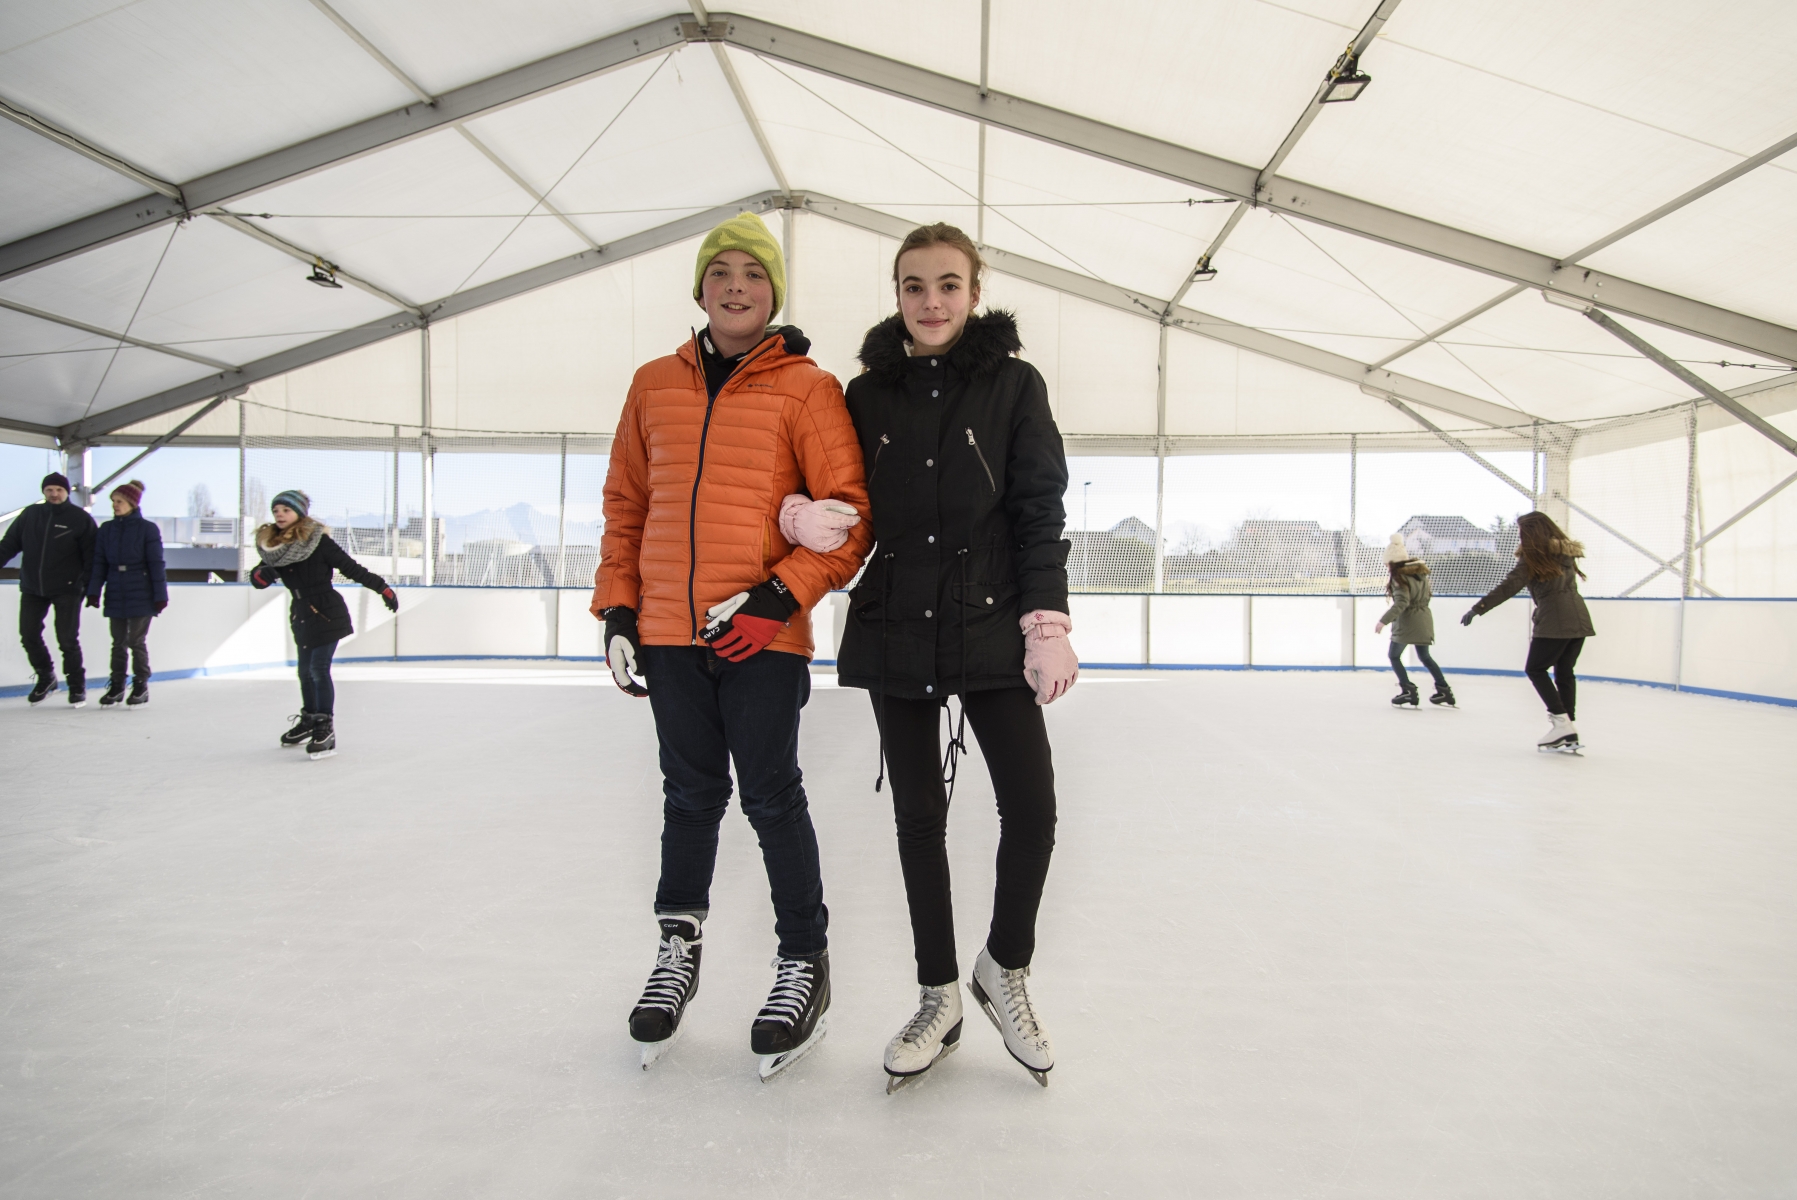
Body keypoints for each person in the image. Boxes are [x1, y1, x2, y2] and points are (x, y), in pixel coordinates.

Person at [591, 211, 872, 1078]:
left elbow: (848, 521)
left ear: (773, 292)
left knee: (772, 799)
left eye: (752, 274)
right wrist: (617, 611)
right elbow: (626, 508)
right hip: (671, 636)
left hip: (763, 639)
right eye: (721, 274)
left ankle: (803, 964)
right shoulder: (651, 385)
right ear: (700, 289)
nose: (736, 287)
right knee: (688, 796)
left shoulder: (808, 388)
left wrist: (778, 597)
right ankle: (678, 950)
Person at [834, 222, 1076, 1091]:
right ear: (895, 294)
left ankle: (1001, 966)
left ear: (974, 292)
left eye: (946, 285)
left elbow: (1037, 506)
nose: (930, 301)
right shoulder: (864, 396)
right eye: (912, 286)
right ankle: (937, 994)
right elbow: (842, 497)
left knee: (1034, 810)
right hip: (896, 619)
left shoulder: (1013, 385)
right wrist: (805, 518)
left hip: (991, 618)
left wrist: (1045, 616)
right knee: (917, 820)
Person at [248, 490, 397, 760]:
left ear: (299, 514)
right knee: (304, 671)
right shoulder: (275, 548)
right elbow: (257, 581)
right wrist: (262, 573)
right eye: (276, 511)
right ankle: (309, 720)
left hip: (327, 611)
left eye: (286, 510)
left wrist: (382, 588)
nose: (279, 514)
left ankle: (325, 728)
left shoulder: (318, 542)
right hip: (301, 613)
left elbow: (351, 568)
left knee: (318, 668)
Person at [1461, 511, 1595, 752]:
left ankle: (1561, 723)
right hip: (1579, 618)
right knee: (1564, 671)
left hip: (1555, 618)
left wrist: (1478, 608)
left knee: (1535, 668)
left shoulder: (1534, 557)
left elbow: (1510, 585)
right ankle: (1568, 728)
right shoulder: (1565, 553)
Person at [1, 472, 96, 705]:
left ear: (66, 492)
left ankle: (76, 686)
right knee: (29, 635)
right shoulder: (31, 515)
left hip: (67, 589)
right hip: (33, 587)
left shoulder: (79, 519)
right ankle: (46, 676)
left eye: (59, 490)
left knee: (67, 640)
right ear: (44, 492)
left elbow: (92, 557)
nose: (54, 494)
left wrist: (89, 587)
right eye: (49, 490)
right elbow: (10, 543)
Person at [85, 480, 165, 708]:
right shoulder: (107, 529)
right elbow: (99, 561)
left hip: (141, 590)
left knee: (135, 641)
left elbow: (156, 564)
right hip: (116, 589)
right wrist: (94, 591)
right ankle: (117, 685)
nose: (115, 505)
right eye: (113, 501)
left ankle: (141, 684)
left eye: (119, 501)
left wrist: (160, 595)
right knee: (118, 642)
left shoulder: (147, 529)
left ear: (131, 503)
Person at [1375, 533, 1453, 708]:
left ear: (1394, 562)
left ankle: (1408, 691)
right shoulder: (1421, 574)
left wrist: (1383, 621)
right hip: (1424, 619)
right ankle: (1444, 690)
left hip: (1408, 622)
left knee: (1394, 656)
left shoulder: (1399, 578)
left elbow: (1402, 603)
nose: (1387, 567)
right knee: (1425, 656)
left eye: (1388, 564)